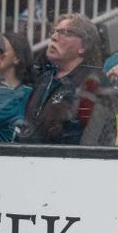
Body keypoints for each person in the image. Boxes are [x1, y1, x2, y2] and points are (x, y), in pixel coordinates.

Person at [17, 13, 111, 145]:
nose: (54, 37)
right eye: (54, 31)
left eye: (65, 33)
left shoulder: (93, 82)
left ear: (83, 46)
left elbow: (88, 138)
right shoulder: (45, 77)